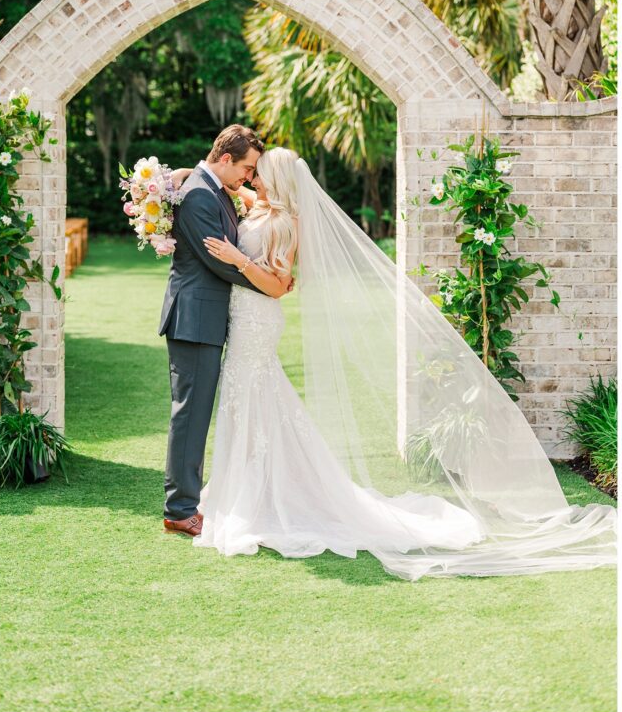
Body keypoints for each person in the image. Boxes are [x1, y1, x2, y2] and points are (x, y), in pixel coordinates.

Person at [178, 147, 616, 580]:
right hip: (240, 321)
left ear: (277, 179)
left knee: (257, 400)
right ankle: (246, 490)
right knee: (246, 403)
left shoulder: (285, 223)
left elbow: (277, 285)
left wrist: (238, 260)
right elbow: (225, 190)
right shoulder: (260, 207)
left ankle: (265, 496)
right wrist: (184, 175)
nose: (252, 179)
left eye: (259, 173)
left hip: (257, 320)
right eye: (250, 173)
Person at [158, 124, 265, 536]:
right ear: (225, 160)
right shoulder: (201, 194)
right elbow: (219, 262)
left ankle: (185, 502)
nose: (249, 178)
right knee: (190, 414)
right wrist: (266, 282)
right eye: (246, 168)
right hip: (194, 319)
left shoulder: (211, 186)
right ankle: (180, 509)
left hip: (205, 317)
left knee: (195, 412)